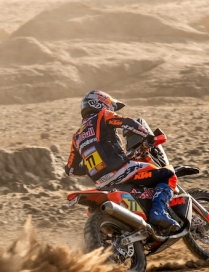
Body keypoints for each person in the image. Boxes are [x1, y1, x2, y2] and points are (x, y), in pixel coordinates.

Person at [65, 90, 180, 232]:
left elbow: (71, 169)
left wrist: (92, 166)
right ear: (98, 103)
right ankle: (158, 212)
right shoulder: (102, 116)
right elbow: (126, 122)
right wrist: (148, 136)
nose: (110, 109)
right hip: (122, 171)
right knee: (168, 174)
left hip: (102, 183)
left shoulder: (76, 137)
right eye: (109, 105)